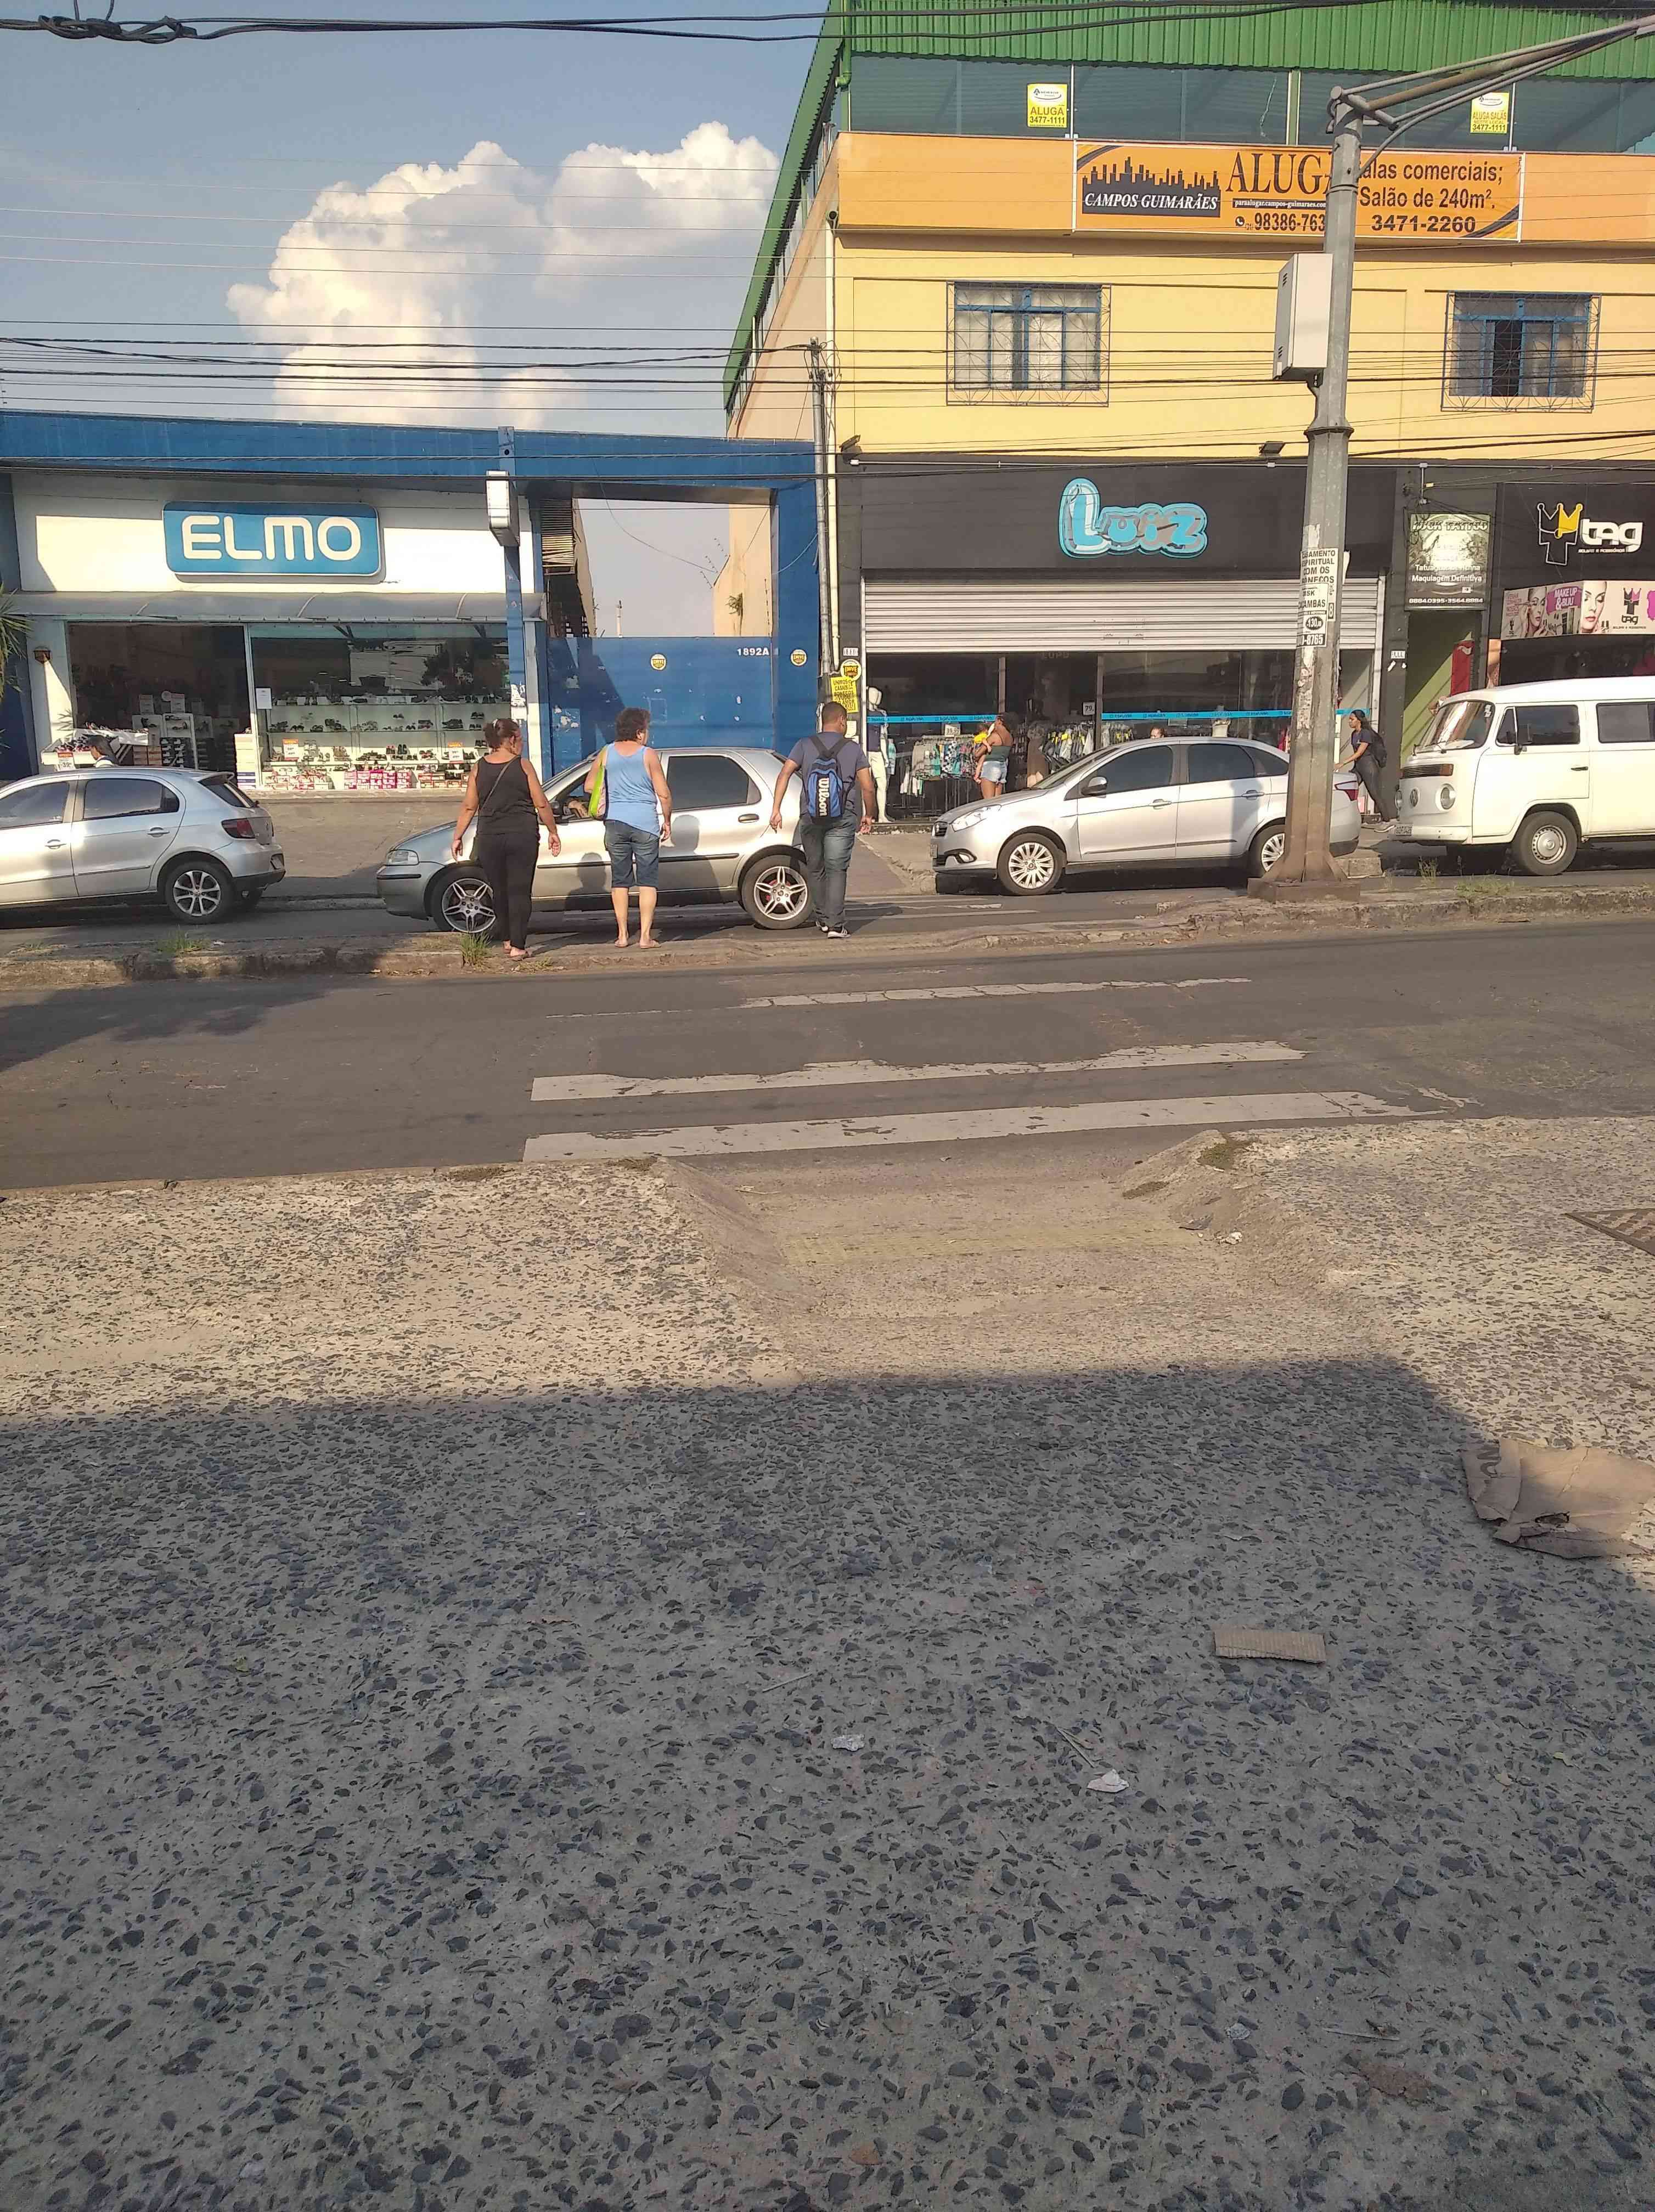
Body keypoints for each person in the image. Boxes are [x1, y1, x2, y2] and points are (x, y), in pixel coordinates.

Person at [451, 718, 559, 962]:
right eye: (520, 738)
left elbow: (469, 807)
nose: (522, 743)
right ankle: (519, 947)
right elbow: (541, 803)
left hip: (490, 836)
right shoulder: (524, 766)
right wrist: (553, 831)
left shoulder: (479, 768)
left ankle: (508, 941)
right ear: (511, 740)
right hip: (522, 835)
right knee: (520, 890)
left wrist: (458, 836)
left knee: (499, 891)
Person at [769, 700, 876, 940]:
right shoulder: (853, 749)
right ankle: (836, 926)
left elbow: (785, 774)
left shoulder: (804, 745)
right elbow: (868, 787)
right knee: (836, 870)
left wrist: (776, 809)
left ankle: (823, 920)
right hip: (842, 817)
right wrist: (869, 815)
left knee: (816, 868)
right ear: (841, 721)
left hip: (811, 816)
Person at [585, 705, 674, 948]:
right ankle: (645, 937)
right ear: (639, 732)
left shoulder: (606, 752)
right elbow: (664, 794)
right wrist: (667, 820)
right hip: (645, 825)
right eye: (647, 729)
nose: (648, 734)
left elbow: (590, 786)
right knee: (647, 881)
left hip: (615, 823)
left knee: (620, 880)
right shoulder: (648, 755)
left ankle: (623, 935)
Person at [1346, 708, 1393, 822]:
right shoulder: (1354, 734)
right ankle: (1348, 816)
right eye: (1350, 719)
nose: (1350, 721)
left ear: (1359, 720)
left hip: (1368, 766)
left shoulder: (1366, 733)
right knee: (1349, 788)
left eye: (1352, 719)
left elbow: (1360, 752)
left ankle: (1387, 820)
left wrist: (1343, 762)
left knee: (1375, 794)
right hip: (1358, 767)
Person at [973, 713, 1012, 802]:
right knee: (997, 802)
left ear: (999, 721)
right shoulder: (1010, 737)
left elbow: (978, 754)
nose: (994, 723)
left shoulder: (994, 736)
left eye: (995, 721)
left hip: (990, 768)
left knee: (988, 802)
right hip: (1003, 768)